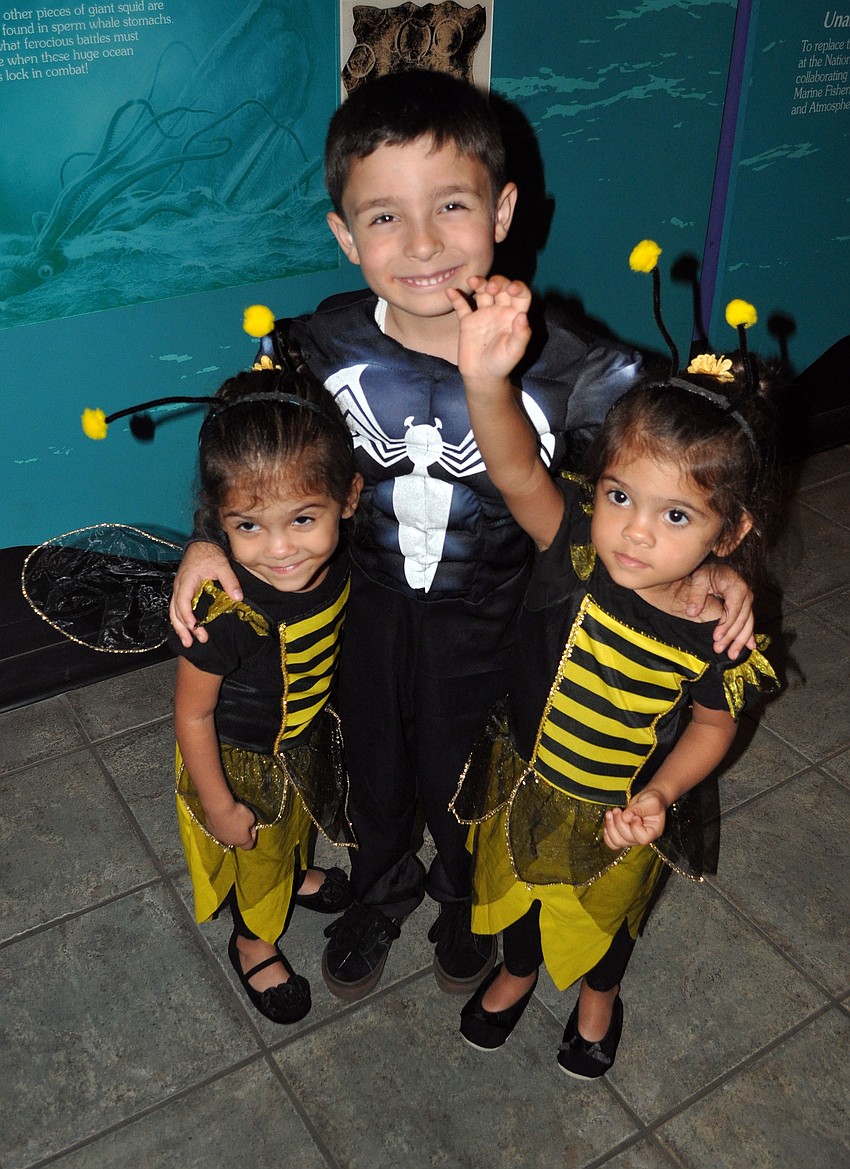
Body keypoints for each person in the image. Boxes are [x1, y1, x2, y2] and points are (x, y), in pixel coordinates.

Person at [169, 70, 754, 1003]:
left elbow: (687, 468)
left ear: (503, 207)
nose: (424, 243)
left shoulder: (577, 367)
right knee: (371, 757)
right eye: (384, 216)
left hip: (498, 617)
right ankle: (379, 883)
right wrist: (208, 536)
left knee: (467, 764)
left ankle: (460, 894)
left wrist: (717, 567)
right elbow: (253, 446)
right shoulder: (321, 345)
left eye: (451, 205)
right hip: (357, 607)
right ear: (343, 233)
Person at [447, 274, 779, 1076]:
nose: (634, 532)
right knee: (521, 890)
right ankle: (519, 968)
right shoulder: (575, 547)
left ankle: (600, 996)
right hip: (532, 778)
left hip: (626, 808)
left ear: (728, 531)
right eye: (620, 494)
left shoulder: (713, 630)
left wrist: (661, 796)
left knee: (610, 914)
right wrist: (484, 382)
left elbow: (713, 724)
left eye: (675, 516)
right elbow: (517, 468)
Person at [169, 352, 363, 1024]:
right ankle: (254, 937)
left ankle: (293, 874)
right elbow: (192, 715)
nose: (279, 549)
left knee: (296, 826)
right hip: (242, 764)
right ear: (219, 521)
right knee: (257, 847)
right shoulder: (229, 613)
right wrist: (220, 804)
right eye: (248, 526)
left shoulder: (341, 564)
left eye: (302, 519)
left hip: (303, 737)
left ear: (349, 498)